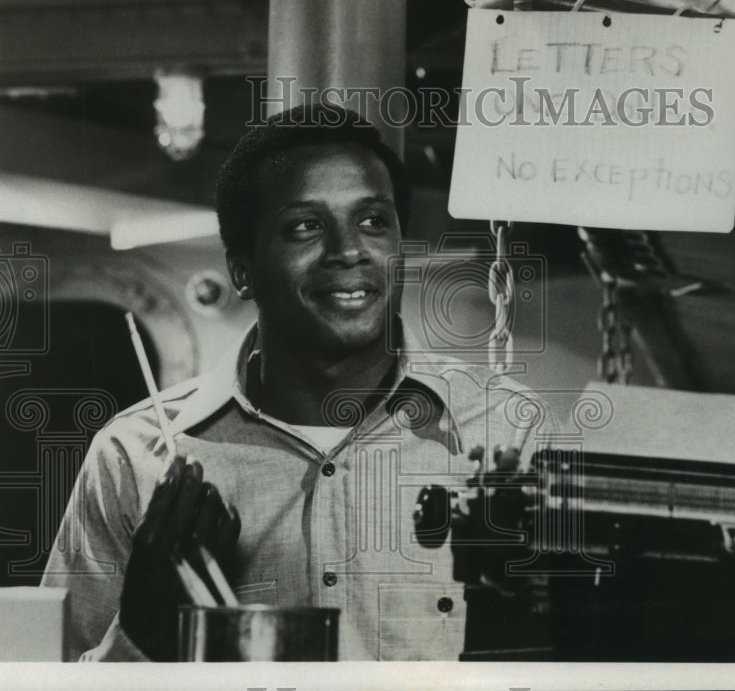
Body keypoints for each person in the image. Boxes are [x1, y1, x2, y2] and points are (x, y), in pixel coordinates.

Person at [41, 104, 549, 661]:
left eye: (374, 221)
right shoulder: (133, 456)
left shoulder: (508, 437)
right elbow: (53, 673)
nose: (350, 251)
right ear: (242, 270)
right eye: (305, 226)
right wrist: (141, 634)